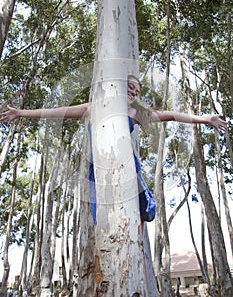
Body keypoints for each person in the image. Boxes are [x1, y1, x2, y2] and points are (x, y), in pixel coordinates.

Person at [0, 75, 227, 223]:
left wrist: (206, 119)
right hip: (98, 169)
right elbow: (55, 112)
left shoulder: (136, 114)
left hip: (127, 166)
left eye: (137, 91)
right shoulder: (94, 107)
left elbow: (173, 116)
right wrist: (20, 113)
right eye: (130, 87)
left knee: (143, 211)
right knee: (104, 219)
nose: (133, 93)